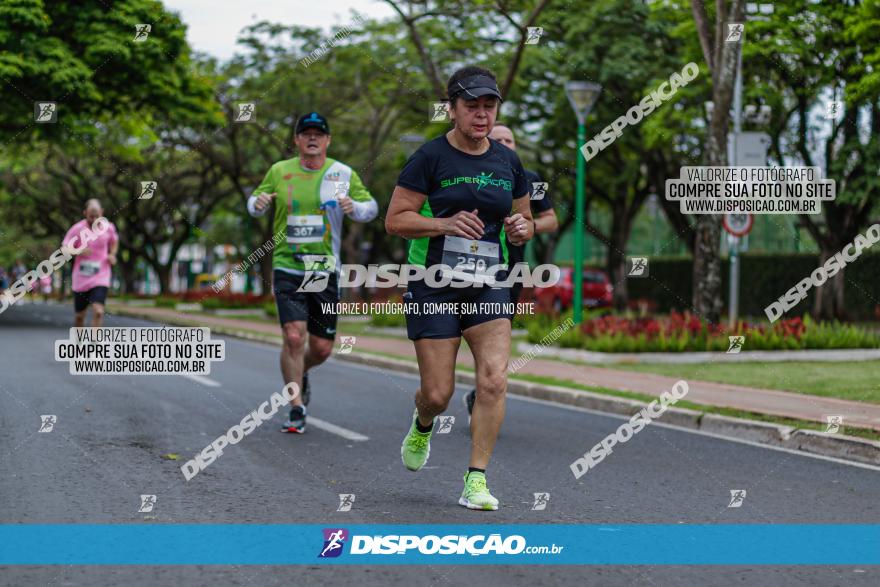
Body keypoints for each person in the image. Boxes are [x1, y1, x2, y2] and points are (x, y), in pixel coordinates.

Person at [385, 66, 533, 510]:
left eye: (489, 107)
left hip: (488, 283)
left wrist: (520, 228)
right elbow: (395, 220)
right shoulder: (429, 158)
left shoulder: (508, 162)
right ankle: (423, 422)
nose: (482, 115)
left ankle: (476, 480)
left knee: (493, 381)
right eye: (472, 107)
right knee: (438, 393)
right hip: (434, 285)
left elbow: (522, 219)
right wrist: (443, 223)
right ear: (451, 109)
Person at [248, 112, 378, 433]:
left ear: (327, 140)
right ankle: (295, 406)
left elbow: (371, 208)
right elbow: (253, 203)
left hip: (322, 267)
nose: (312, 138)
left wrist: (354, 208)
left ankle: (299, 372)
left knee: (320, 348)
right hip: (287, 263)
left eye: (318, 134)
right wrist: (259, 202)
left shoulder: (341, 173)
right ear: (296, 140)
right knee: (294, 336)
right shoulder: (279, 171)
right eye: (305, 133)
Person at [463, 123, 559, 421]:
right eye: (498, 139)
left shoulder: (529, 180)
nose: (505, 143)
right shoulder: (466, 173)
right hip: (465, 266)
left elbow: (551, 220)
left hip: (509, 271)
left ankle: (482, 390)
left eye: (510, 139)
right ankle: (451, 387)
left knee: (495, 341)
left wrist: (527, 226)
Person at [62, 199, 118, 327]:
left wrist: (112, 254)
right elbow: (64, 248)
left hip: (101, 275)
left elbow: (114, 241)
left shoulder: (109, 227)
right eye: (91, 217)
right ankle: (79, 343)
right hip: (81, 277)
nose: (94, 220)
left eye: (97, 216)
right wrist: (78, 250)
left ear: (102, 213)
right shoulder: (77, 229)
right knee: (79, 316)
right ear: (85, 213)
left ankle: (94, 343)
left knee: (99, 311)